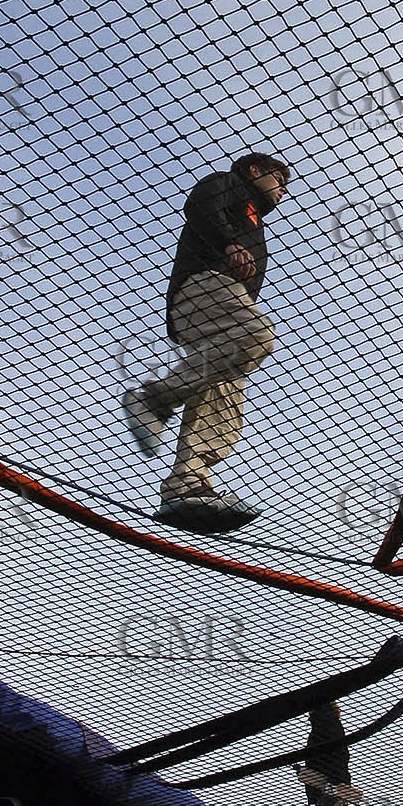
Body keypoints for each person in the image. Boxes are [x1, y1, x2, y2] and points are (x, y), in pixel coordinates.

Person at [122, 152, 290, 534]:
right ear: (254, 171)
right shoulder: (229, 185)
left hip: (224, 307)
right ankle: (156, 397)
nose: (283, 190)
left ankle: (187, 483)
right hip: (204, 286)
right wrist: (230, 243)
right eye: (279, 179)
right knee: (258, 335)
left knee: (222, 393)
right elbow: (199, 205)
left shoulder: (255, 222)